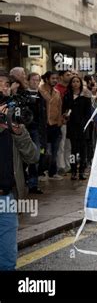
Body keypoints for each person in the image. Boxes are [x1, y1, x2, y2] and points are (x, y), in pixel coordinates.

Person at [0, 73, 39, 270]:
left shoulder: (11, 118)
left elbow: (33, 157)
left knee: (7, 260)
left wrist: (18, 132)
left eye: (6, 84)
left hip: (6, 198)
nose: (3, 88)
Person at [62, 76, 92, 180]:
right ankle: (73, 170)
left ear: (80, 83)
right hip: (72, 126)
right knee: (73, 150)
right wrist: (65, 114)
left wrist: (85, 123)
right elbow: (64, 109)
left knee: (83, 150)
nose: (75, 83)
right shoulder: (67, 96)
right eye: (73, 81)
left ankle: (82, 171)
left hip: (83, 126)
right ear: (71, 83)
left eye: (77, 81)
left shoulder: (86, 96)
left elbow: (88, 113)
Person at [38, 71, 64, 181]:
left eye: (56, 78)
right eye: (53, 78)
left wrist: (59, 122)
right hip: (43, 126)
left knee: (54, 151)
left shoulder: (57, 92)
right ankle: (41, 172)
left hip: (55, 126)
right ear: (47, 79)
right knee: (44, 151)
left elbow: (59, 108)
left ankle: (53, 172)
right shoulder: (39, 90)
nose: (55, 80)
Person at [25, 72, 47, 194]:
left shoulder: (41, 97)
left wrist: (43, 133)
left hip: (37, 131)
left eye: (37, 80)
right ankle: (25, 181)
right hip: (24, 130)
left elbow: (43, 116)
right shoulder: (22, 95)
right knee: (23, 158)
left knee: (35, 157)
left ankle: (33, 184)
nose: (35, 82)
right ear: (28, 81)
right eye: (33, 80)